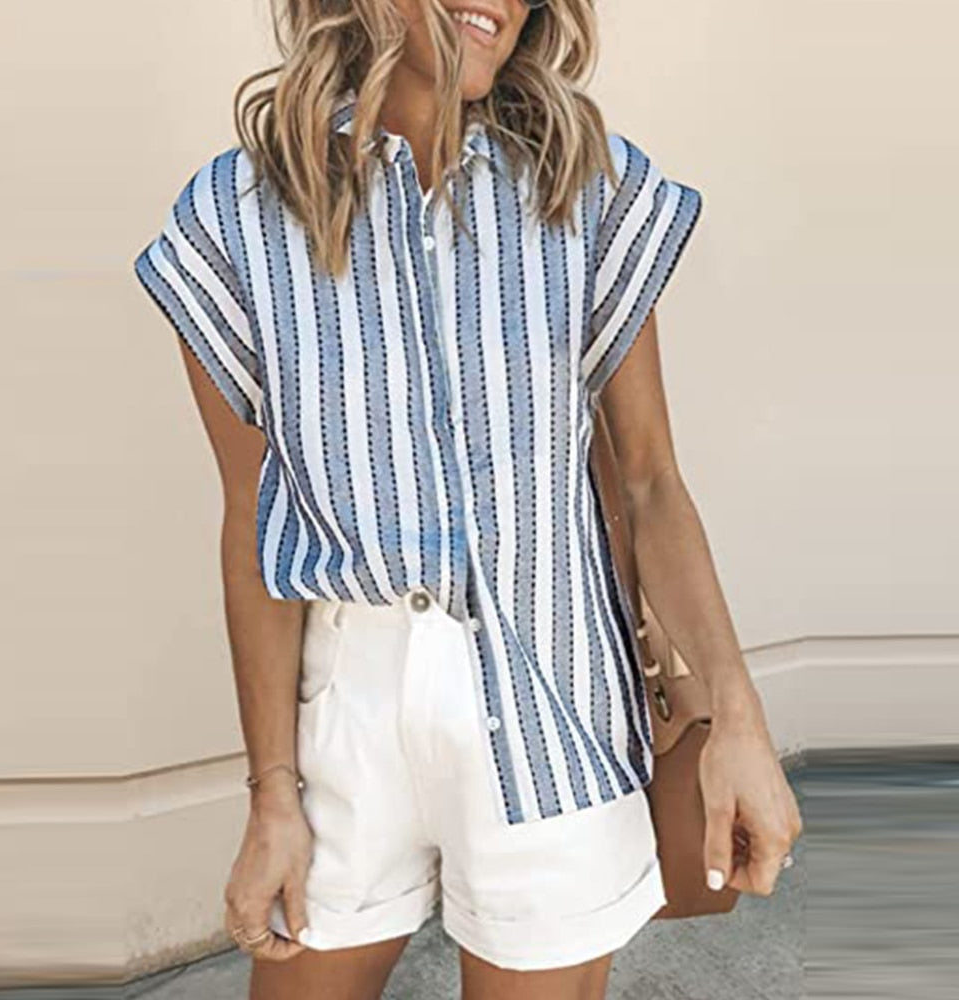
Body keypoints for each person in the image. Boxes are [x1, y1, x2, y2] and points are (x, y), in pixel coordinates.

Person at [132, 0, 802, 996]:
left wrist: (738, 717)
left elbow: (651, 480)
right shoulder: (231, 221)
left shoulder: (587, 187)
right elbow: (254, 522)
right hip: (347, 706)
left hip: (552, 694)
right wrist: (271, 794)